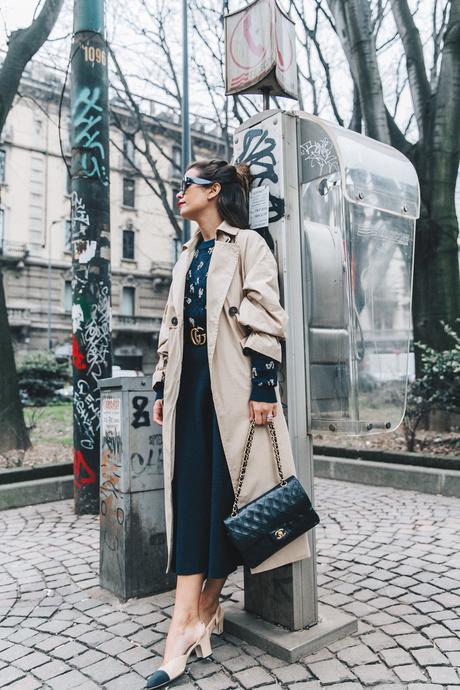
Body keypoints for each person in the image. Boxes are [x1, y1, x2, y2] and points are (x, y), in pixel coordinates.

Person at [146, 159, 310, 689]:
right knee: (193, 496)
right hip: (188, 391)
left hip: (235, 390)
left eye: (186, 185)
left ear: (213, 191)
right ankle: (193, 616)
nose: (179, 193)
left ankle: (194, 619)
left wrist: (265, 386)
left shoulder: (247, 246)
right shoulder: (188, 253)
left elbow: (264, 311)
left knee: (229, 496)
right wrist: (159, 385)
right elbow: (172, 325)